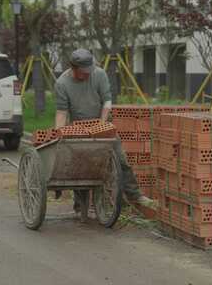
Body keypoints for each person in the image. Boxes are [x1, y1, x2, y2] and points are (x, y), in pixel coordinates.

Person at [54, 48, 153, 211]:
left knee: (121, 160)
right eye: (83, 72)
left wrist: (102, 124)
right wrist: (59, 135)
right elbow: (61, 112)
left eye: (89, 70)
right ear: (73, 68)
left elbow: (107, 101)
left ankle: (135, 195)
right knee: (80, 166)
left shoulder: (99, 74)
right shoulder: (62, 84)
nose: (87, 74)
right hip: (79, 127)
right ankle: (80, 203)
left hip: (103, 123)